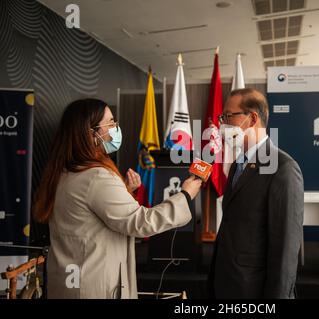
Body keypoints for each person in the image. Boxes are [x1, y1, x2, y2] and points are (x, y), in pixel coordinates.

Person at [33, 98, 202, 299]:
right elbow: (140, 222)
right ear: (92, 133)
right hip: (93, 285)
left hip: (71, 280)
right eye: (111, 122)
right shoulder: (96, 175)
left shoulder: (64, 171)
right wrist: (185, 195)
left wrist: (125, 191)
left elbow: (89, 217)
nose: (116, 128)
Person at [208, 88, 304, 299]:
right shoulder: (236, 164)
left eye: (228, 116)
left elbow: (286, 249)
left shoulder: (283, 168)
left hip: (253, 290)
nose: (222, 124)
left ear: (252, 119)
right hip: (226, 283)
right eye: (221, 117)